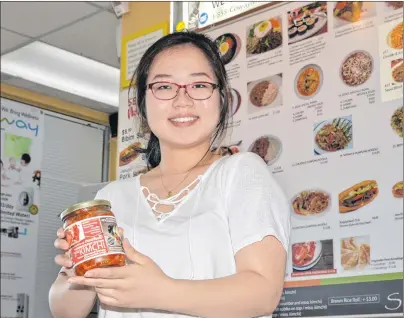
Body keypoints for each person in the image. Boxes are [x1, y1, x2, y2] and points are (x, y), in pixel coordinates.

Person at [49, 31, 290, 318]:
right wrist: (79, 266)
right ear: (142, 103)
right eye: (164, 87)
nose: (182, 100)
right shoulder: (111, 199)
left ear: (222, 99)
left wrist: (159, 291)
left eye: (199, 84)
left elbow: (263, 293)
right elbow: (66, 312)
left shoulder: (242, 173)